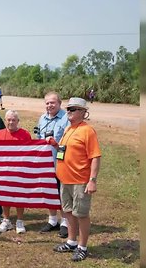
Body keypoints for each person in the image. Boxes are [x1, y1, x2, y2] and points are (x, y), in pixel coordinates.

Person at [46, 97, 101, 262]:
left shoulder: (87, 131)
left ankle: (82, 247)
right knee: (68, 212)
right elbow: (65, 150)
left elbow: (96, 156)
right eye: (68, 109)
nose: (68, 112)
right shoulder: (69, 129)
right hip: (65, 180)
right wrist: (56, 146)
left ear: (83, 112)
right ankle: (71, 241)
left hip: (80, 181)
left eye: (73, 109)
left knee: (81, 214)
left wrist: (92, 179)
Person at [35, 91, 70, 238]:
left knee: (62, 193)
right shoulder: (42, 118)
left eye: (52, 102)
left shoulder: (66, 118)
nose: (50, 105)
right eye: (47, 103)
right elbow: (38, 138)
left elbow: (68, 141)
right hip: (45, 163)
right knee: (49, 192)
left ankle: (65, 222)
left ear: (59, 103)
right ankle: (52, 220)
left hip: (61, 161)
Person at [0, 110, 32, 234]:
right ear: (5, 120)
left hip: (19, 171)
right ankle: (6, 220)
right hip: (4, 171)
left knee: (19, 196)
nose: (11, 122)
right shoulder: (0, 134)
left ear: (18, 121)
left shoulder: (25, 134)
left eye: (13, 120)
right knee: (5, 196)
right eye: (8, 120)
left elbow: (29, 152)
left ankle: (20, 220)